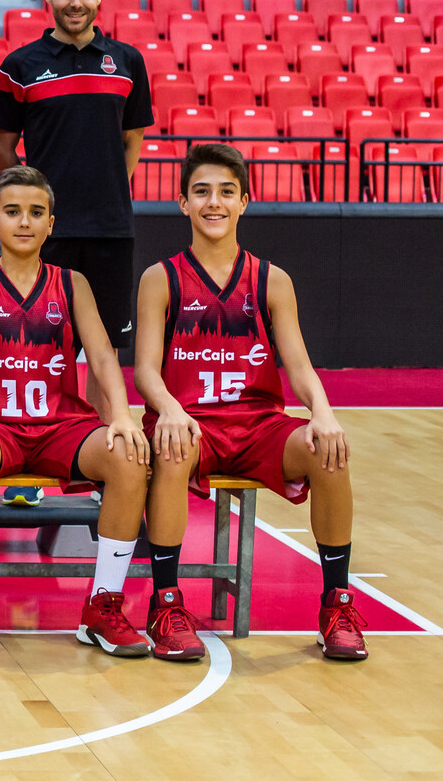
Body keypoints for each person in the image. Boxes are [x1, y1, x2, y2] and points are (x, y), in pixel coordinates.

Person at [135, 143, 367, 662]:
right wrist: (169, 407)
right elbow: (145, 369)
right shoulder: (161, 278)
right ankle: (166, 604)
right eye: (201, 192)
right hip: (191, 424)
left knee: (329, 451)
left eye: (226, 192)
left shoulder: (271, 280)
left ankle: (337, 604)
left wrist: (323, 414)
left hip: (259, 425)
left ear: (244, 201)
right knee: (171, 446)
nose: (213, 202)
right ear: (182, 203)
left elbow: (299, 367)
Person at [0, 165, 153, 660]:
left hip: (60, 425)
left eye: (36, 212)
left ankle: (103, 606)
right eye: (12, 211)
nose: (24, 221)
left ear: (51, 223)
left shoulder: (72, 283)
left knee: (127, 455)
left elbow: (102, 356)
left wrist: (122, 415)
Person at [0, 0, 152, 380]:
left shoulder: (128, 62)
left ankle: (104, 426)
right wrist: (33, 206)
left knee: (105, 349)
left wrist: (108, 189)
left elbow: (132, 139)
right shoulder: (18, 66)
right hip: (46, 232)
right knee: (41, 345)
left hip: (110, 229)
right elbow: (3, 149)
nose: (75, 2)